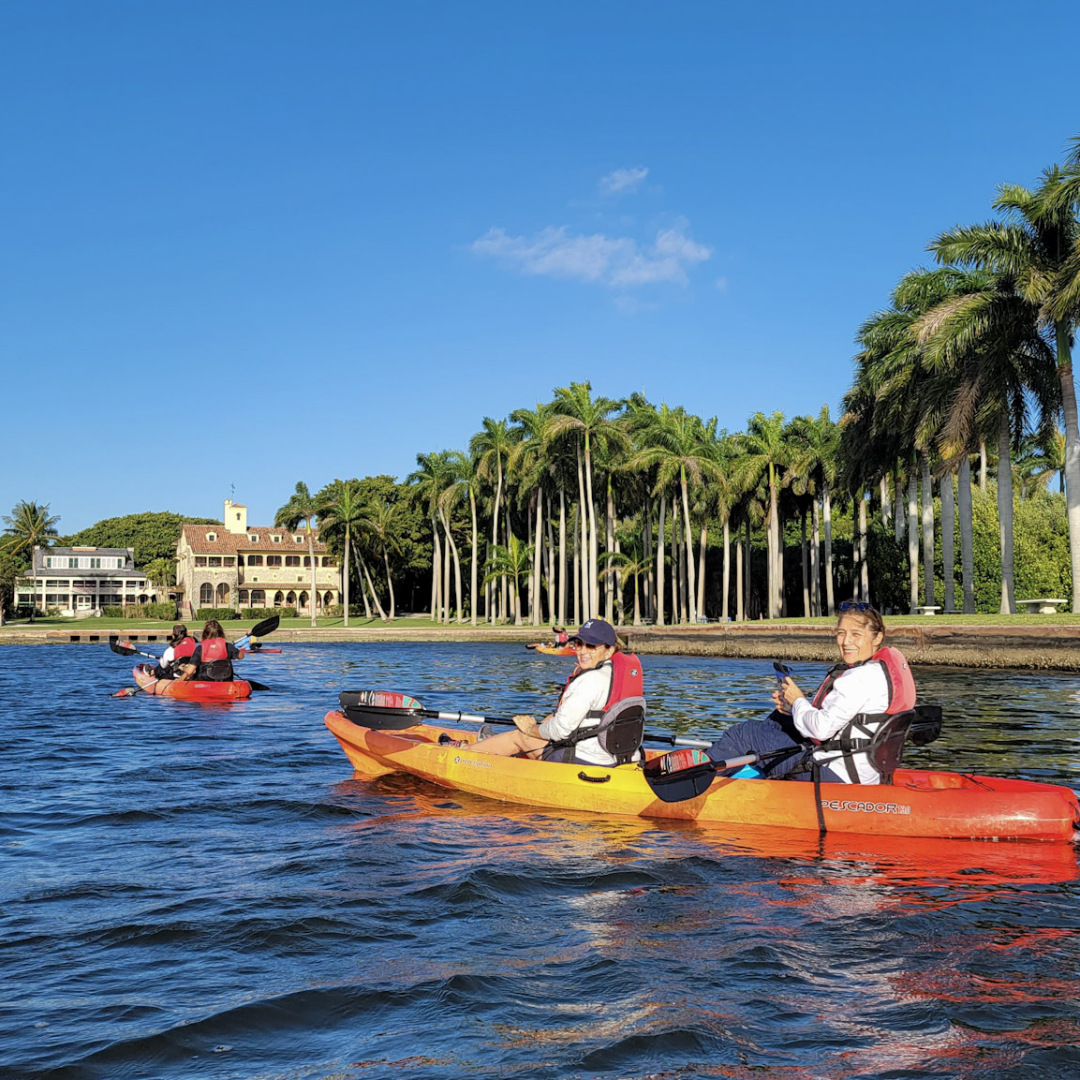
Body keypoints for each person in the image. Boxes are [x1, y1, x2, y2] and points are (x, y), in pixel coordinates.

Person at [705, 602, 916, 785]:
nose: (845, 641)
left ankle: (694, 778)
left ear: (877, 637)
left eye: (856, 635)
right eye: (841, 633)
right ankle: (726, 763)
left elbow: (821, 730)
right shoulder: (879, 671)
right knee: (779, 720)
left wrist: (797, 700)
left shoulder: (859, 677)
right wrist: (792, 707)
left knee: (744, 734)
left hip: (835, 773)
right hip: (866, 770)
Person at [458, 618, 644, 767]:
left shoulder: (589, 680)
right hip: (617, 757)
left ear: (609, 649)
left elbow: (560, 731)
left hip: (586, 762)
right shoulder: (618, 673)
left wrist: (530, 729)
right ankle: (481, 747)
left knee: (519, 737)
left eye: (591, 646)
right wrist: (545, 723)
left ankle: (462, 756)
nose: (582, 651)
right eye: (579, 644)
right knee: (538, 729)